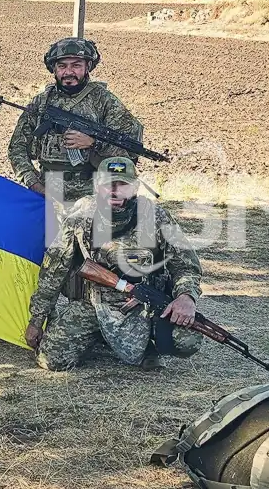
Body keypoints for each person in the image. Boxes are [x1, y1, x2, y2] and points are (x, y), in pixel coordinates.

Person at [24, 157, 203, 371]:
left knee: (187, 340)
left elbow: (185, 265)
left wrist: (186, 296)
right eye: (108, 184)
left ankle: (147, 344)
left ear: (135, 187)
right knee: (51, 360)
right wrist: (37, 319)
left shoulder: (157, 217)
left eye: (123, 184)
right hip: (94, 304)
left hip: (144, 305)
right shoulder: (81, 215)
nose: (115, 191)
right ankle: (100, 336)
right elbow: (54, 269)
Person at [8, 37, 144, 203]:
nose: (68, 72)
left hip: (93, 194)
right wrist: (34, 184)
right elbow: (17, 148)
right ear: (54, 69)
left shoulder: (105, 102)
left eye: (76, 65)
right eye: (62, 66)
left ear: (87, 67)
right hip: (47, 192)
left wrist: (94, 143)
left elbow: (128, 154)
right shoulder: (41, 103)